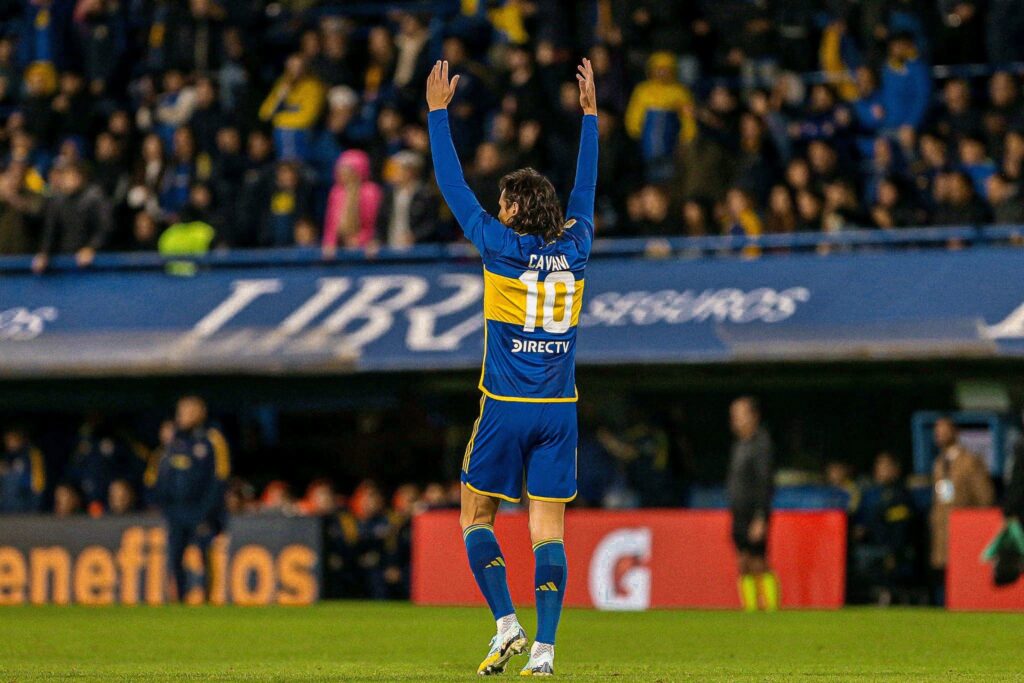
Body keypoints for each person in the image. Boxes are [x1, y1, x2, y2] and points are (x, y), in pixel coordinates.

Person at [427, 58, 597, 677]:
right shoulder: (577, 246)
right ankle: (545, 652)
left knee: (475, 514)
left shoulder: (498, 247)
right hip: (558, 412)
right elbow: (586, 190)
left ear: (514, 212)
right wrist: (591, 119)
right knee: (547, 532)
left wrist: (438, 115)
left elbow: (451, 186)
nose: (495, 209)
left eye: (502, 202)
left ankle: (506, 624)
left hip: (503, 405)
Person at [153, 396, 230, 603]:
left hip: (201, 510)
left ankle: (208, 599)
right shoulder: (174, 442)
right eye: (180, 411)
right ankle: (179, 600)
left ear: (199, 412)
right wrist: (166, 505)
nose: (181, 416)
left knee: (204, 554)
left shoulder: (212, 440)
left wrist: (208, 510)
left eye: (186, 411)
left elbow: (220, 478)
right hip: (177, 512)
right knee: (175, 557)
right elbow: (160, 476)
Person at [929, 417, 994, 601]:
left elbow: (985, 498)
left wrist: (974, 525)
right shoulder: (939, 463)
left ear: (955, 432)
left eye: (943, 430)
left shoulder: (970, 462)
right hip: (942, 529)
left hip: (965, 529)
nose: (939, 435)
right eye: (937, 431)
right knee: (943, 575)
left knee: (964, 577)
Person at [726, 396, 779, 612]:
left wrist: (760, 516)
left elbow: (765, 482)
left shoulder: (761, 445)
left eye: (740, 415)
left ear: (754, 417)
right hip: (738, 513)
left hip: (754, 512)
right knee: (743, 561)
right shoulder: (740, 445)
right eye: (734, 415)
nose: (736, 420)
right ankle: (750, 610)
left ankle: (772, 608)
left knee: (759, 561)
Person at [0, 427, 46, 513]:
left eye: (12, 440)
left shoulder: (32, 453)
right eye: (7, 441)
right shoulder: (8, 456)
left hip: (29, 495)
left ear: (20, 440)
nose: (9, 444)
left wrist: (36, 496)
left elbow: (38, 482)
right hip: (10, 500)